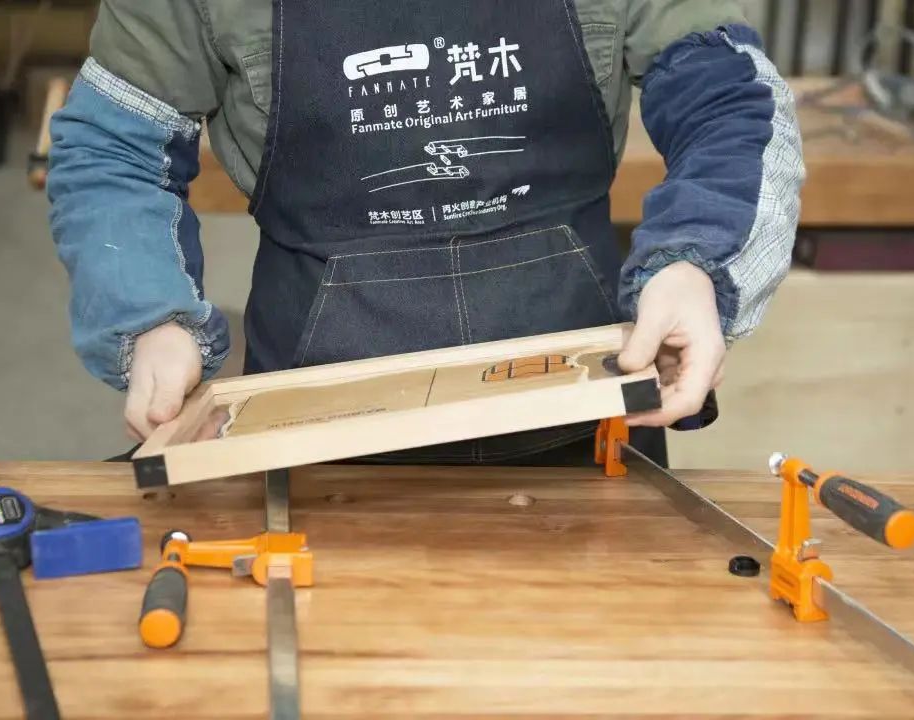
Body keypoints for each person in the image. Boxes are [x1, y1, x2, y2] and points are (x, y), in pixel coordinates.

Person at [48, 1, 804, 466]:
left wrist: (695, 265)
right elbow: (113, 147)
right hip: (312, 433)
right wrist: (152, 318)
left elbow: (730, 99)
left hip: (590, 419)